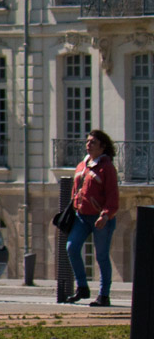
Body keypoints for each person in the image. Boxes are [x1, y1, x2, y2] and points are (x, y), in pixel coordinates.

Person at [66, 129, 119, 306]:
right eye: (87, 142)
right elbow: (76, 190)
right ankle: (82, 287)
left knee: (101, 256)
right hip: (81, 217)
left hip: (100, 219)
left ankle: (104, 295)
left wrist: (105, 215)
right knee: (72, 248)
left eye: (93, 142)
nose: (88, 145)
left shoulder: (107, 167)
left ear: (102, 147)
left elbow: (112, 195)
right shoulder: (82, 165)